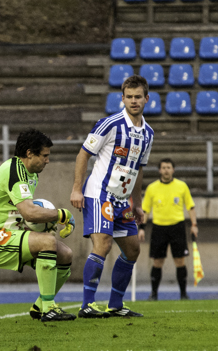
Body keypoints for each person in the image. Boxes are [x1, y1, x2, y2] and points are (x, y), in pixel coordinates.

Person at [0, 128, 77, 322]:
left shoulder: (32, 175)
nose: (47, 160)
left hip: (9, 232)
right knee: (48, 242)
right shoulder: (14, 169)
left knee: (65, 255)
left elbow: (21, 215)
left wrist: (43, 224)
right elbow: (29, 212)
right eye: (44, 156)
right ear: (29, 153)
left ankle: (40, 306)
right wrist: (61, 214)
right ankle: (48, 309)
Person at [70, 75, 154, 318]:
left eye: (138, 97)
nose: (134, 101)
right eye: (129, 97)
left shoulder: (148, 133)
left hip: (121, 200)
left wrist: (136, 204)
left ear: (146, 99)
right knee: (103, 244)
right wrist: (77, 189)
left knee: (132, 251)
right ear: (123, 98)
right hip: (99, 194)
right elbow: (83, 154)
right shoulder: (109, 124)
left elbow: (138, 170)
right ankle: (87, 304)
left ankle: (115, 305)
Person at [139, 158, 198, 301]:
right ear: (159, 170)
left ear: (173, 170)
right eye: (163, 167)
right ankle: (154, 294)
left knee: (180, 261)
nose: (166, 170)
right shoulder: (152, 188)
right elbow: (145, 210)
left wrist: (194, 225)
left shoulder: (182, 186)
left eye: (169, 167)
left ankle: (183, 294)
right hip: (159, 228)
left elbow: (190, 206)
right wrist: (141, 228)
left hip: (177, 227)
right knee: (157, 261)